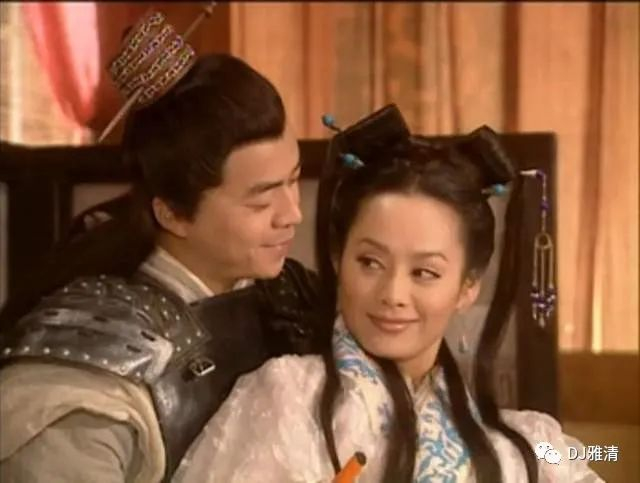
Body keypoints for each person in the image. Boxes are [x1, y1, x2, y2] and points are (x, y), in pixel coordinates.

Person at [172, 105, 604, 483]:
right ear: (338, 259)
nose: (393, 294)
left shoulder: (526, 442)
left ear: (467, 287)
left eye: (425, 272)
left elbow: (602, 456)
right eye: (370, 263)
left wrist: (602, 451)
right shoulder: (286, 398)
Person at [0, 9, 322, 483]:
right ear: (172, 212)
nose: (292, 213)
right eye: (260, 201)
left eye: (293, 180)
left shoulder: (288, 299)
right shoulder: (85, 381)